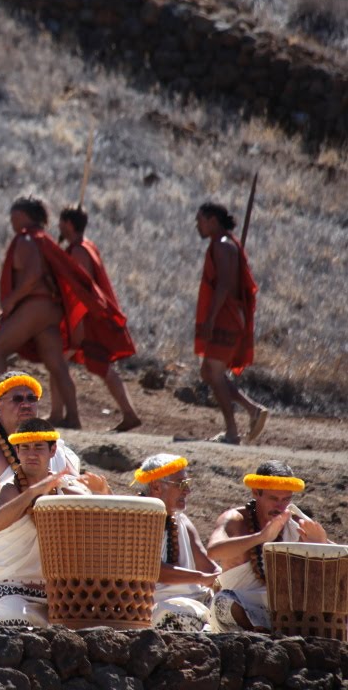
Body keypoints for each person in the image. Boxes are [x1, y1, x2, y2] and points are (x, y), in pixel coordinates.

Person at [0, 196, 129, 429]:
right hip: (51, 310)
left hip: (35, 305)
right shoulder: (45, 240)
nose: (11, 220)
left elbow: (32, 276)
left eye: (14, 216)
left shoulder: (27, 239)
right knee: (56, 364)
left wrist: (11, 302)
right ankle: (73, 417)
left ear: (23, 216)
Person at [0, 419, 103, 626]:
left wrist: (104, 493)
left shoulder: (67, 490)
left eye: (38, 447)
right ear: (17, 451)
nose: (31, 454)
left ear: (53, 450)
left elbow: (101, 528)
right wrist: (34, 492)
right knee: (13, 614)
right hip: (8, 591)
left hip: (56, 595)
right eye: (24, 448)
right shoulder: (7, 489)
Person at [207, 461, 329, 632]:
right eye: (273, 498)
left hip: (284, 611)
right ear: (256, 492)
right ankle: (257, 633)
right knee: (222, 601)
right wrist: (262, 537)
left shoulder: (296, 524)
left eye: (286, 499)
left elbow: (339, 559)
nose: (280, 507)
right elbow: (213, 551)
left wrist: (321, 546)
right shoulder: (235, 519)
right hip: (238, 610)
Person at [57, 206, 142, 432]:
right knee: (66, 363)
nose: (58, 227)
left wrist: (77, 328)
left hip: (88, 319)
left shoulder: (79, 251)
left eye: (61, 222)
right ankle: (60, 413)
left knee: (92, 365)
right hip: (90, 317)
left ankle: (66, 415)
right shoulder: (87, 246)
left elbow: (81, 291)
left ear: (68, 224)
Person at [195, 202, 267, 445]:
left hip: (227, 318)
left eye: (200, 220)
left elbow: (225, 285)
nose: (197, 225)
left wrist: (211, 318)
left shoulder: (223, 245)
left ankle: (232, 432)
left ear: (213, 220)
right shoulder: (224, 244)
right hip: (228, 316)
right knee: (208, 371)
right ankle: (252, 409)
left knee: (214, 373)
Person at [133, 454, 219, 631]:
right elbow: (152, 570)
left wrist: (222, 578)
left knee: (232, 602)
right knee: (183, 617)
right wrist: (201, 578)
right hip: (160, 605)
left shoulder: (181, 520)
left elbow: (208, 566)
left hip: (197, 599)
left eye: (187, 483)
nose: (187, 491)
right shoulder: (137, 519)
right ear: (156, 487)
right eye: (181, 484)